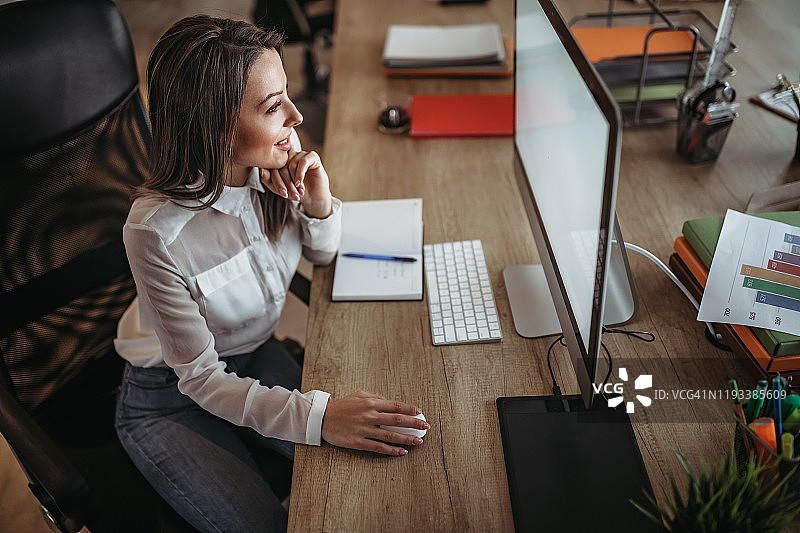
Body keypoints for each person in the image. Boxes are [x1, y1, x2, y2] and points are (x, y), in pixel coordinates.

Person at [113, 15, 429, 533]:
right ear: (216, 125)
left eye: (287, 95)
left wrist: (320, 204)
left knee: (369, 467)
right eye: (273, 106)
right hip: (170, 395)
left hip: (253, 356)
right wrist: (319, 417)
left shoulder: (270, 171)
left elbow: (323, 257)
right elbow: (201, 378)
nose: (298, 116)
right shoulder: (154, 234)